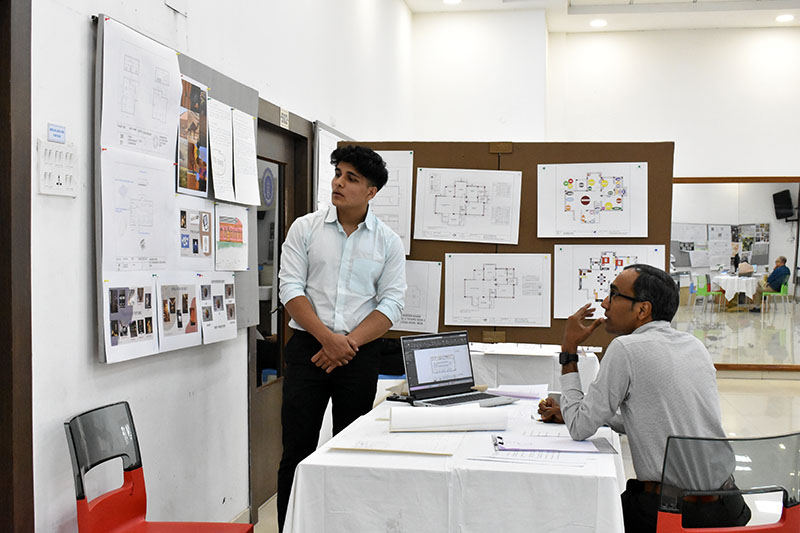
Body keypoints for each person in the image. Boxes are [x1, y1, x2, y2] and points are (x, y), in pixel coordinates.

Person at [538, 264, 750, 532]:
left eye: (614, 295)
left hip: (670, 514)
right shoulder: (694, 346)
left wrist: (569, 349)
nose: (604, 304)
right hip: (726, 506)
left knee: (583, 518)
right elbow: (657, 417)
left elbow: (579, 428)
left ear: (642, 310)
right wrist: (586, 414)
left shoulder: (625, 348)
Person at [276, 145, 406, 531]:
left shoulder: (387, 242)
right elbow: (290, 288)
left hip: (358, 354)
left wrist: (346, 344)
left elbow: (392, 304)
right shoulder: (305, 229)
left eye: (352, 178)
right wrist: (327, 339)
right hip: (308, 350)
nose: (339, 183)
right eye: (338, 174)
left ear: (371, 191)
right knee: (297, 451)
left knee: (353, 450)